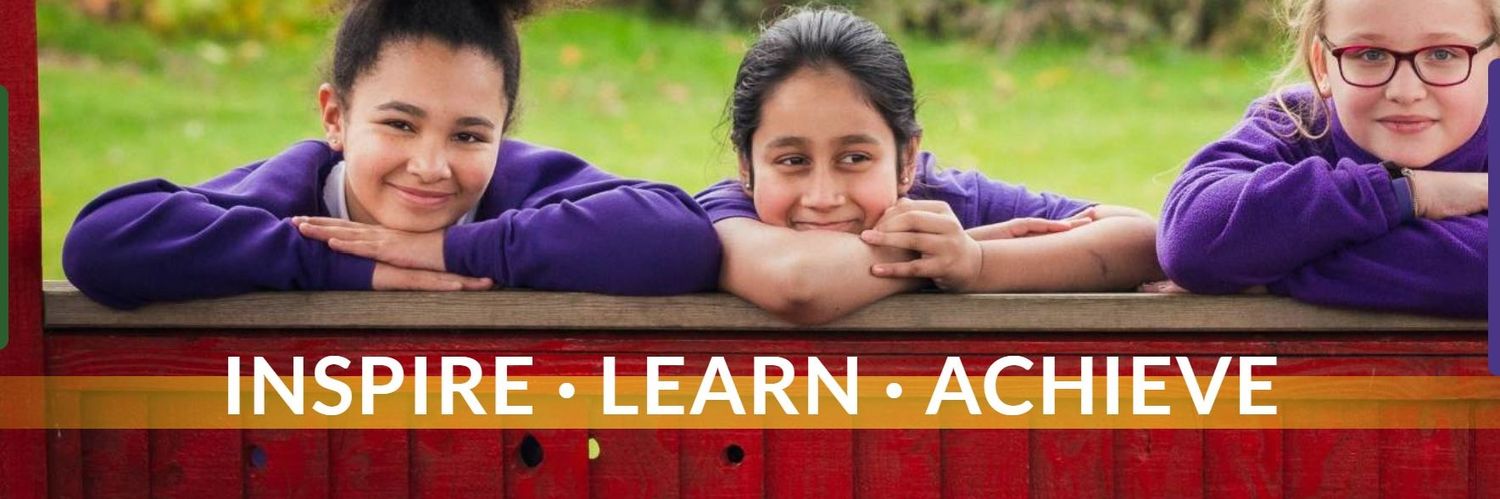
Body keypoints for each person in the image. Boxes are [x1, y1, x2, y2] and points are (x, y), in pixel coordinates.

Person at [62, 0, 721, 309]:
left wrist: (449, 252)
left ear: (503, 131)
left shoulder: (520, 185)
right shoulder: (288, 195)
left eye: (469, 135)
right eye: (400, 124)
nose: (431, 165)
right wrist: (332, 264)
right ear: (335, 117)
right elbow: (100, 243)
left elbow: (680, 237)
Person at [696, 7, 1164, 325]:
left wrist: (979, 262)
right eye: (792, 161)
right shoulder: (728, 210)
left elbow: (1142, 240)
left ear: (906, 160)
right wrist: (932, 261)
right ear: (746, 165)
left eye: (855, 158)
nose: (823, 197)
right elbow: (800, 282)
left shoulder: (942, 201)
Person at [1157, 0, 1493, 317]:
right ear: (1322, 65)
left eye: (1443, 54)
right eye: (1370, 54)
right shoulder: (1295, 123)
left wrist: (1271, 263)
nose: (1405, 92)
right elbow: (1191, 238)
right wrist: (1407, 191)